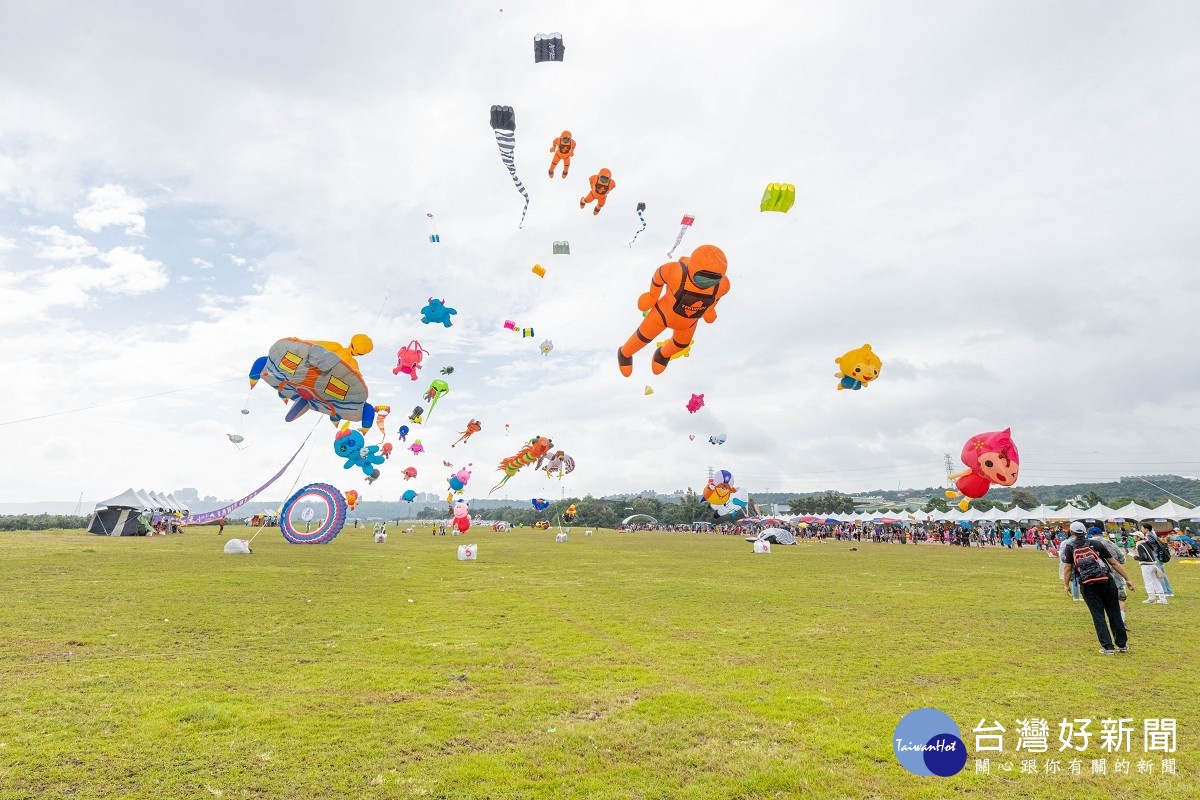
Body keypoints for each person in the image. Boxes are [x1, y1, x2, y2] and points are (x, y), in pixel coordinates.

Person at [1060, 521, 1137, 655]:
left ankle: (1108, 647)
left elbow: (1068, 568)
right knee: (1114, 613)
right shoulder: (1096, 544)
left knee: (1098, 615)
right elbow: (1114, 563)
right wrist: (1127, 579)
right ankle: (1122, 644)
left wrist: (1067, 585)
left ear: (1072, 532)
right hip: (1106, 581)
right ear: (1085, 532)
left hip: (1087, 584)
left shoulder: (1069, 547)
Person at [1135, 525, 1168, 604]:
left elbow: (1144, 557)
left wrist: (1136, 557)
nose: (1134, 538)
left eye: (1135, 536)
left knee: (1148, 582)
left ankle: (1151, 598)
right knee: (1156, 581)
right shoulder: (1146, 543)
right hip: (1153, 564)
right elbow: (1152, 549)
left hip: (1146, 565)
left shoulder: (1140, 545)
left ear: (1139, 537)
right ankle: (1163, 599)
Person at [1149, 528, 1175, 597]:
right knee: (1163, 574)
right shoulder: (1155, 536)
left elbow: (1152, 547)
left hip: (1157, 557)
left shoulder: (1150, 536)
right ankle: (1169, 591)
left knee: (1159, 574)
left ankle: (1165, 591)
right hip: (1160, 557)